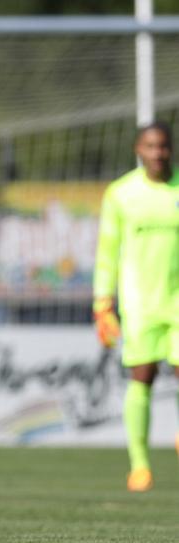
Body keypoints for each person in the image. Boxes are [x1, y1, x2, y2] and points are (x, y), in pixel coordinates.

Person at [93, 121, 179, 493]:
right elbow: (107, 252)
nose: (157, 153)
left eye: (163, 146)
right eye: (150, 146)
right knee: (142, 376)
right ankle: (140, 466)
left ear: (171, 149)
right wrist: (102, 303)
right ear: (137, 150)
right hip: (140, 301)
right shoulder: (121, 193)